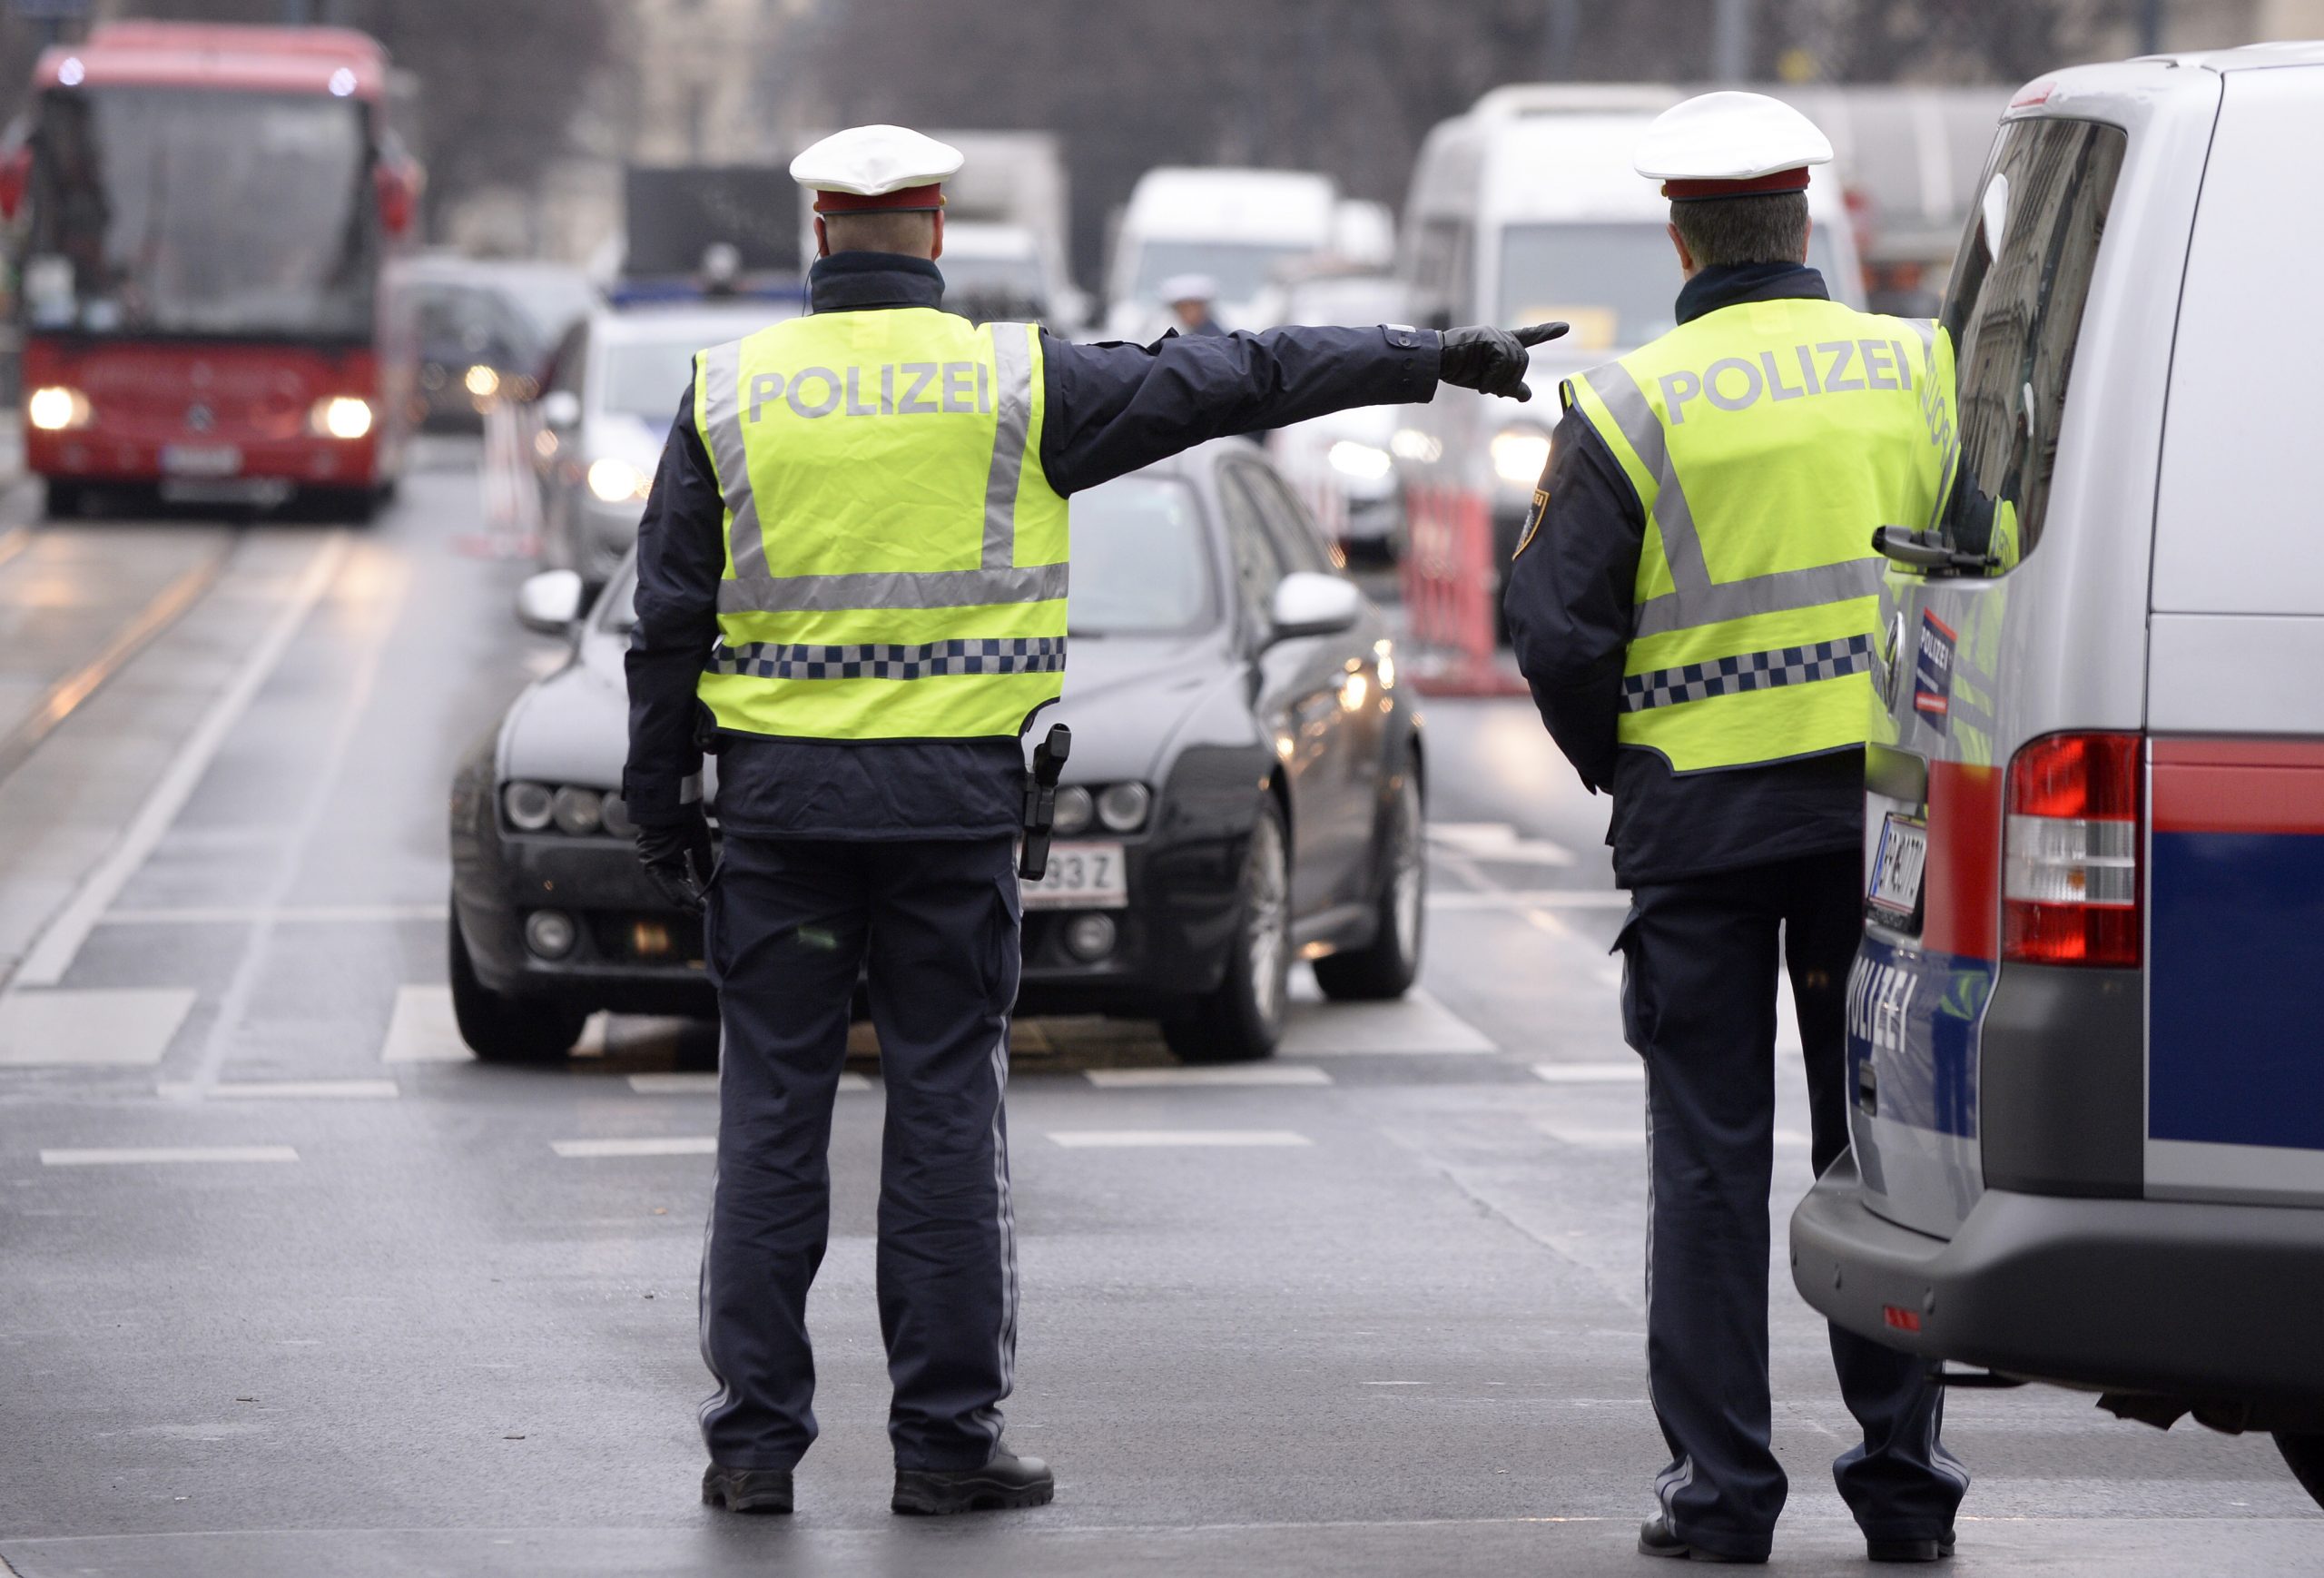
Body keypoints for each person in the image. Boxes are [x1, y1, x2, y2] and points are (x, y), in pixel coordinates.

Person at [624, 123, 1560, 1520]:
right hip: (951, 820)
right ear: (934, 229)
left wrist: (659, 800)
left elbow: (667, 622)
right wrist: (1432, 355)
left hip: (781, 820)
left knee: (772, 1116)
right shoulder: (1020, 381)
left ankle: (754, 1443)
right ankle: (945, 1444)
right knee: (944, 1109)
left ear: (819, 233)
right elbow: (1242, 374)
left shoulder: (729, 391)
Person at [1503, 93, 1971, 1564]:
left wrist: (1628, 765)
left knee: (1706, 1161)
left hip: (1699, 829)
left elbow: (1555, 629)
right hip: (1883, 834)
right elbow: (1987, 561)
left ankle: (1722, 1495)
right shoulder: (1920, 368)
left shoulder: (1630, 401)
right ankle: (1903, 1485)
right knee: (1881, 1159)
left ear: (1680, 229)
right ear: (1807, 220)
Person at [1159, 272, 1225, 336]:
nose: (1186, 313)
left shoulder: (1214, 339)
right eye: (1181, 308)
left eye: (1190, 307)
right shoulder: (1189, 333)